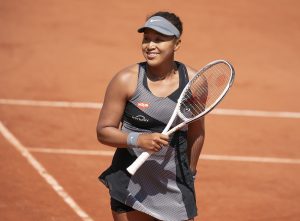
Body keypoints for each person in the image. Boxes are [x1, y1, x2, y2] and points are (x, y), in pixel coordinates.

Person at [97, 11, 205, 221]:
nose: (150, 45)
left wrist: (190, 172)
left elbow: (197, 131)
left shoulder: (194, 83)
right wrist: (137, 139)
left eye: (159, 39)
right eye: (146, 38)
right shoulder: (126, 80)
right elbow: (103, 132)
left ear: (177, 44)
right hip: (130, 183)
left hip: (174, 183)